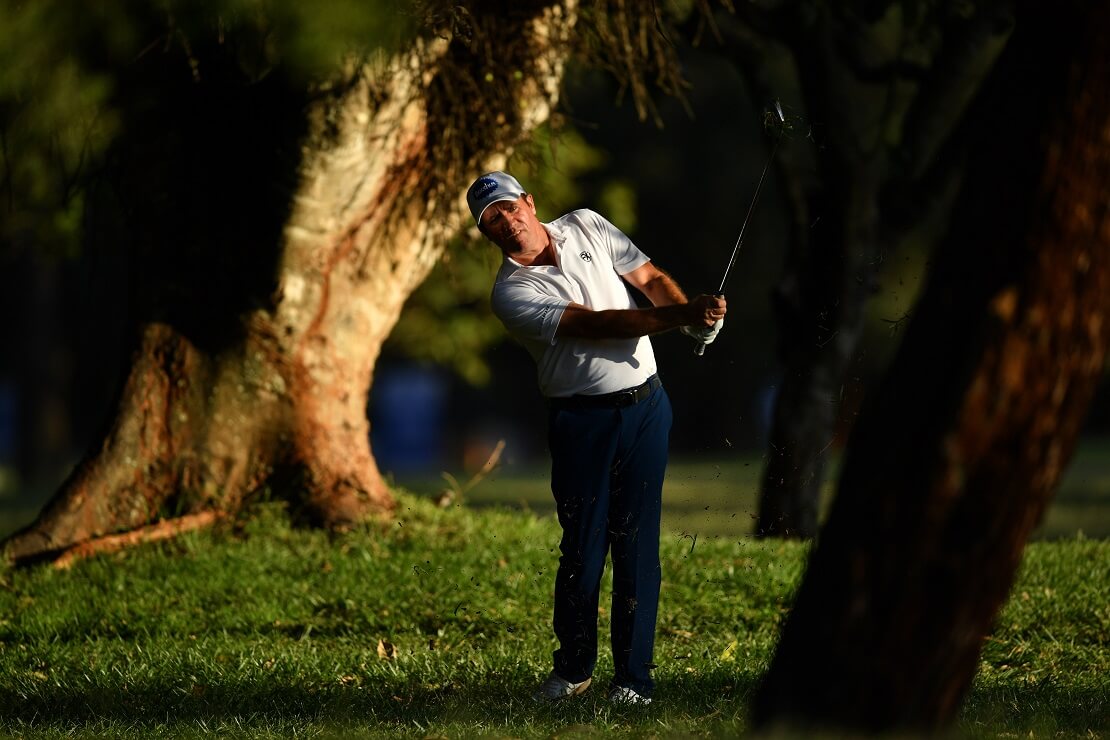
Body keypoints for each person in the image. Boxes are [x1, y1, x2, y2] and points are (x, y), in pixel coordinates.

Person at [466, 171, 726, 705]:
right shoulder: (511, 292)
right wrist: (682, 315)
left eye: (510, 207)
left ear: (529, 202)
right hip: (581, 422)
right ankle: (573, 669)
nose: (507, 221)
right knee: (583, 551)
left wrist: (697, 322)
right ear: (486, 233)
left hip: (646, 409)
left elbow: (648, 277)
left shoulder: (587, 224)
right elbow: (599, 324)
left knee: (636, 546)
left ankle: (633, 681)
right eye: (493, 219)